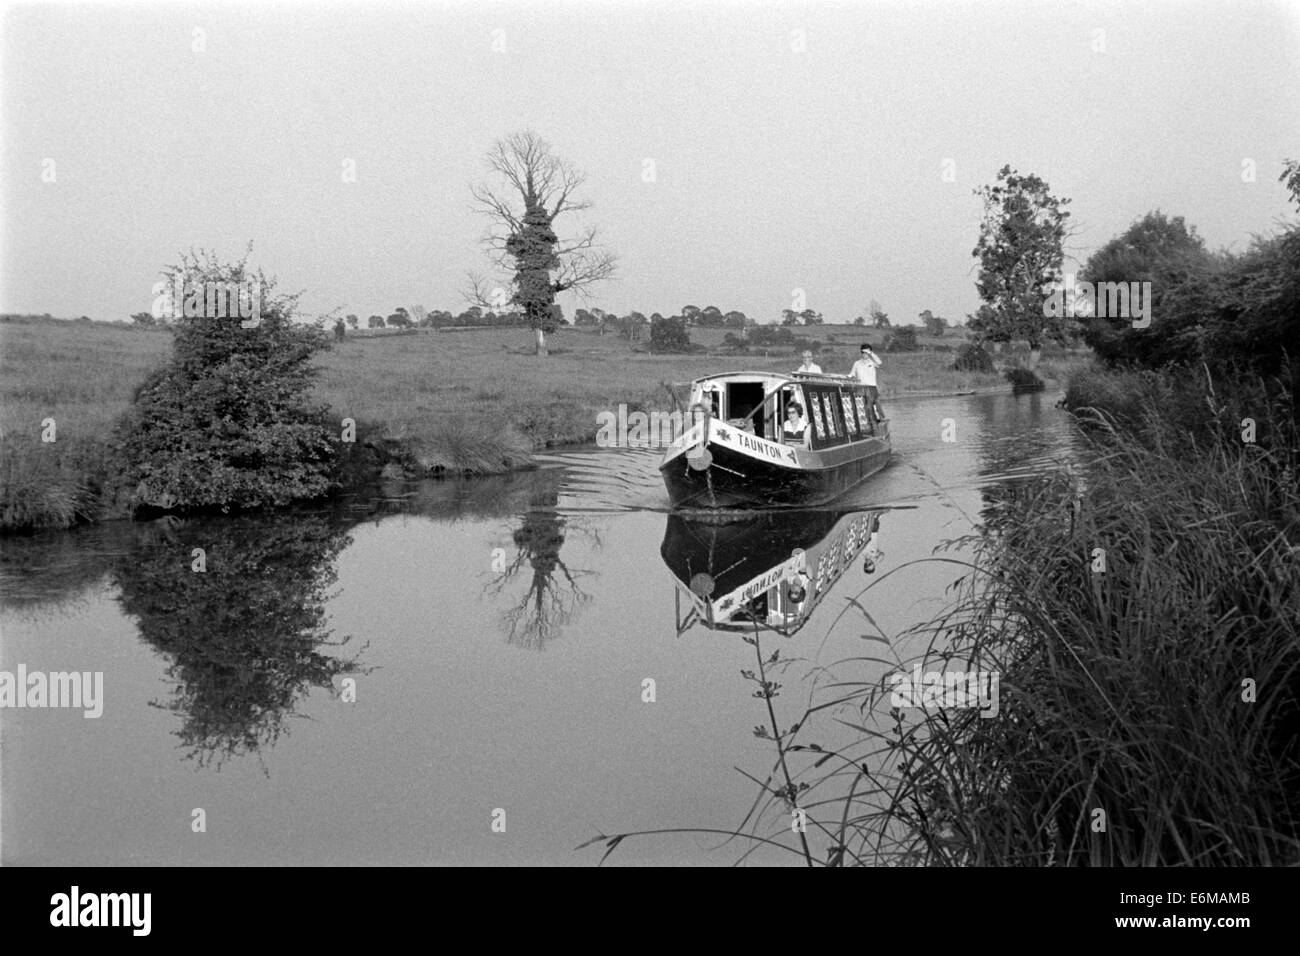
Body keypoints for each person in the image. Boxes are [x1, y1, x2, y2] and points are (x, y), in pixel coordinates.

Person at [850, 343, 884, 422]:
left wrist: (870, 353)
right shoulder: (857, 363)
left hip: (871, 388)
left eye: (866, 352)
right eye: (863, 352)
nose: (865, 354)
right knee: (862, 408)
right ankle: (866, 423)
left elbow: (879, 363)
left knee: (871, 406)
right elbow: (852, 374)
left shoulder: (872, 362)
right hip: (861, 388)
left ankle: (877, 421)